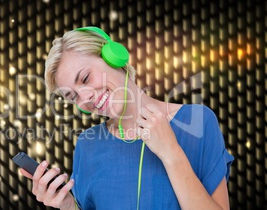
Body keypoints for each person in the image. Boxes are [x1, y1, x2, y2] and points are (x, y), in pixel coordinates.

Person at [20, 26, 234, 210]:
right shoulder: (87, 144)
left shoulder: (197, 121)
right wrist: (68, 206)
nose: (85, 97)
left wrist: (171, 153)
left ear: (113, 56)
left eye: (85, 78)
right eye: (73, 96)